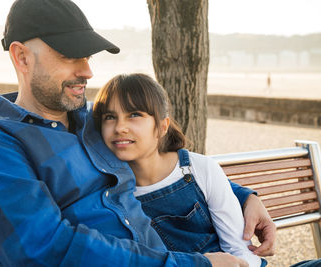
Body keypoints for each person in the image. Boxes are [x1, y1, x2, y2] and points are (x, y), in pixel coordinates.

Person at [0, 0, 276, 266]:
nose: (87, 71)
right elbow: (44, 251)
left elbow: (155, 159)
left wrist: (243, 197)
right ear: (22, 57)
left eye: (88, 57)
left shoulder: (95, 123)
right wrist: (195, 264)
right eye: (70, 56)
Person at [93, 73, 267, 267]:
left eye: (134, 115)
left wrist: (250, 197)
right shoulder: (111, 194)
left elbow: (239, 249)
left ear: (162, 126)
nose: (120, 127)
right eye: (110, 117)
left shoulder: (199, 169)